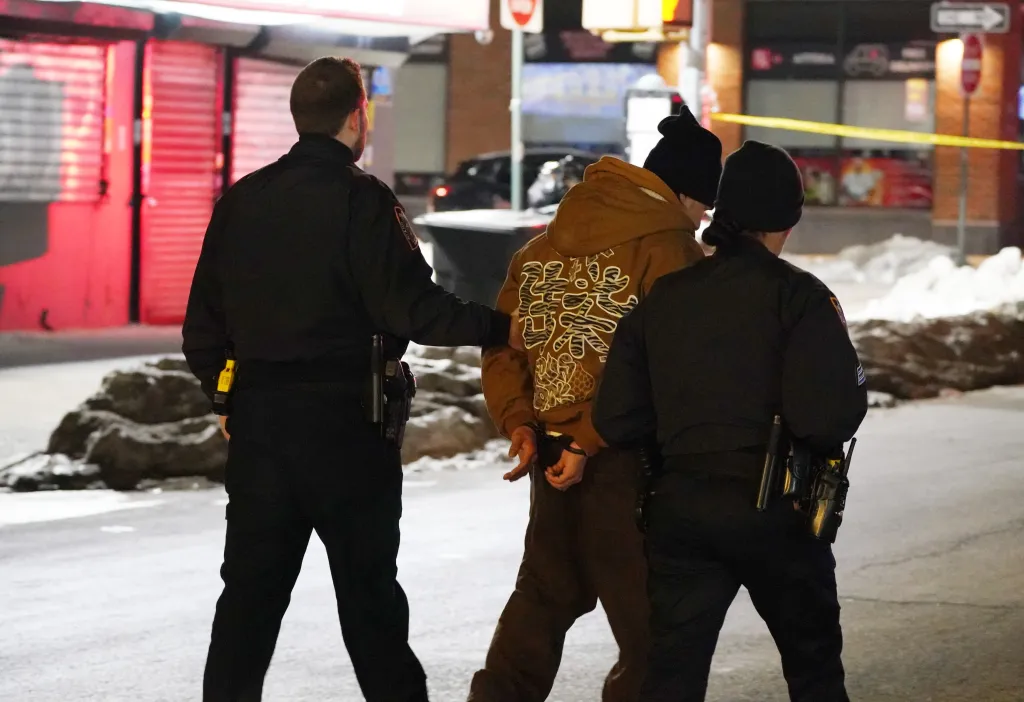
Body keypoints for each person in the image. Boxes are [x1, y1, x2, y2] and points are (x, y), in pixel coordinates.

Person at [182, 56, 517, 702]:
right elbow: (413, 308)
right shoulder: (362, 201)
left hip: (261, 434)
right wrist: (504, 328)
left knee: (248, 605)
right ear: (356, 115)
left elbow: (203, 330)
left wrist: (228, 397)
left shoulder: (242, 201)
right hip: (346, 430)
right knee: (369, 604)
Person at [592, 140, 868, 702]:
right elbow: (827, 416)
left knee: (672, 677)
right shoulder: (802, 299)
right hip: (779, 509)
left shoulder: (664, 299)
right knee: (813, 671)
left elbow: (615, 417)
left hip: (680, 508)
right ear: (789, 217)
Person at [469, 107, 723, 702]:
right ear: (685, 195)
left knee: (543, 599)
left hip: (551, 454)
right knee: (653, 632)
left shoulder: (540, 249)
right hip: (623, 460)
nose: (702, 221)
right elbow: (663, 364)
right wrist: (589, 438)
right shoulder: (671, 250)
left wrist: (520, 423)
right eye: (702, 208)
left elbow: (504, 344)